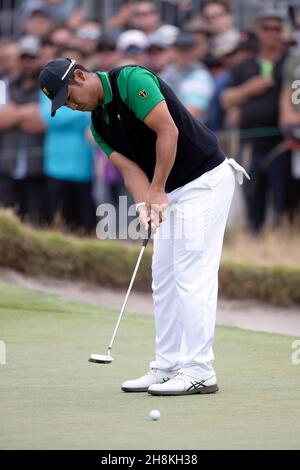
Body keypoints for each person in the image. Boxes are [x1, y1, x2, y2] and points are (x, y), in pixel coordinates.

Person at [39, 57, 249, 396]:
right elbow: (130, 170)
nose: (72, 106)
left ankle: (199, 370)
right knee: (163, 276)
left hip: (204, 181)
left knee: (191, 272)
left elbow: (169, 130)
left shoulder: (131, 80)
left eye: (70, 96)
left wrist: (157, 189)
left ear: (80, 75)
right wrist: (145, 205)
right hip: (170, 190)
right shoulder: (99, 125)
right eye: (64, 104)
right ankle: (166, 367)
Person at [221, 8, 289, 233]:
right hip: (251, 143)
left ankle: (284, 241)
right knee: (253, 196)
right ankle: (255, 241)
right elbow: (226, 99)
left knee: (284, 197)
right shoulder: (245, 65)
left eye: (277, 28)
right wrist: (248, 90)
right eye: (267, 28)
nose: (272, 33)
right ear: (258, 31)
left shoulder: (291, 63)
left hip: (283, 142)